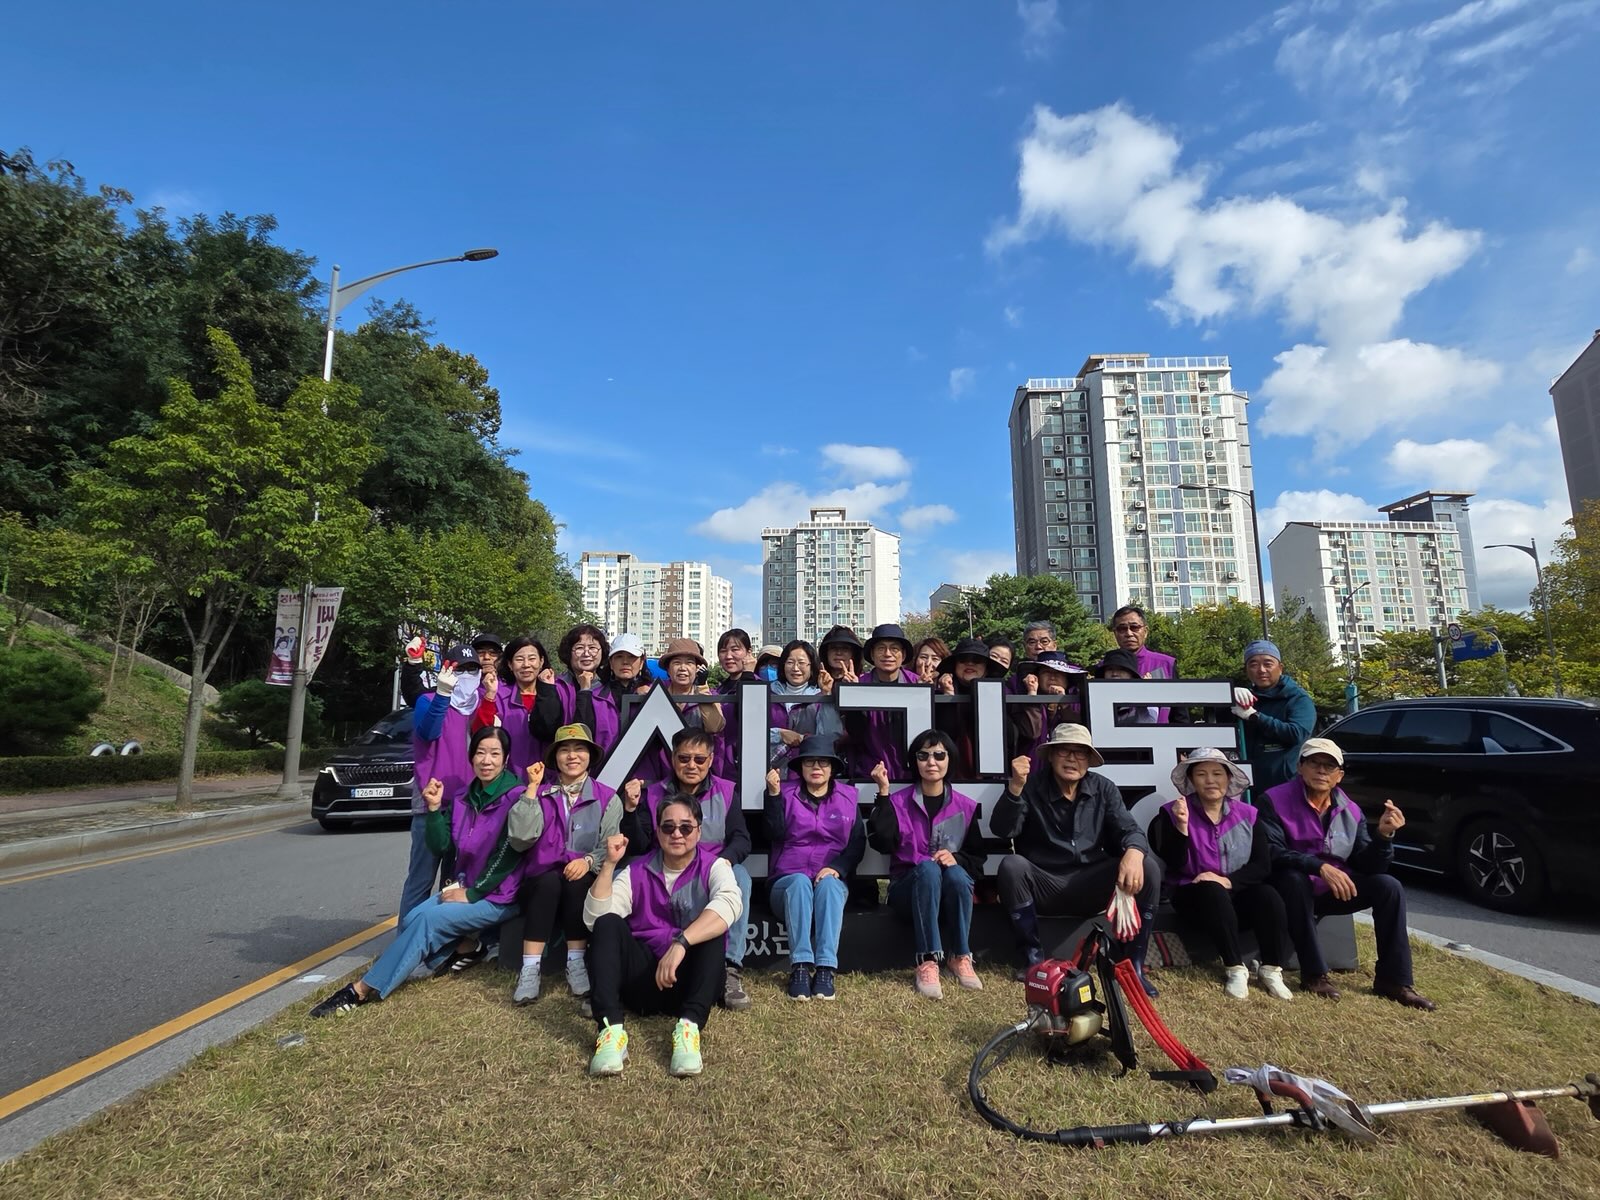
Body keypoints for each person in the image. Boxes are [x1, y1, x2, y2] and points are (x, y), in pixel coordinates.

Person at [310, 726, 529, 1017]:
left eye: (494, 754)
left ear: (506, 758)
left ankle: (360, 990)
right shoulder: (463, 798)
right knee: (413, 917)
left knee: (426, 921)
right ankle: (468, 947)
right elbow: (441, 846)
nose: (486, 760)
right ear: (471, 757)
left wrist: (473, 893)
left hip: (499, 895)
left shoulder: (517, 797)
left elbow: (509, 854)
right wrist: (435, 809)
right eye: (480, 753)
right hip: (465, 888)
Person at [1260, 739, 1435, 1009]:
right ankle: (1314, 974)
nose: (1321, 771)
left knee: (1388, 886)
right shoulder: (1273, 799)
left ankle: (1393, 980)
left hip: (1333, 890)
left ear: (1339, 776)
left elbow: (1369, 865)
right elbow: (1271, 851)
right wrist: (1318, 867)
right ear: (1300, 767)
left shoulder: (1351, 810)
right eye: (1314, 763)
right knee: (1294, 879)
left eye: (1329, 766)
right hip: (1287, 888)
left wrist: (1384, 836)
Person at [990, 723, 1163, 996]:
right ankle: (1033, 960)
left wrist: (1133, 851)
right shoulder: (1030, 786)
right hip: (1046, 884)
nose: (1072, 759)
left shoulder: (1104, 788)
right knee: (1012, 866)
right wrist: (1014, 788)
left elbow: (1129, 829)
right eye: (1064, 751)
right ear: (1050, 755)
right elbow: (1003, 830)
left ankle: (1134, 965)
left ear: (1089, 760)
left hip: (1092, 882)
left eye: (1080, 753)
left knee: (1148, 867)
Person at [582, 796, 744, 1078]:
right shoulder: (635, 870)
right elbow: (595, 920)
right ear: (657, 832)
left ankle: (689, 1029)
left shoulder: (715, 866)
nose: (677, 834)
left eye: (686, 827)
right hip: (643, 982)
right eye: (668, 827)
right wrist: (608, 865)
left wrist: (681, 943)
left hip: (691, 980)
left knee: (712, 927)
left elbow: (730, 904)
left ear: (699, 831)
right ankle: (610, 1032)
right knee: (608, 923)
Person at [620, 728, 755, 1011]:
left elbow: (741, 838)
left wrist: (724, 862)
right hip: (666, 869)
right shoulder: (652, 793)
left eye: (699, 759)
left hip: (711, 870)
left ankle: (730, 968)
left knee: (740, 877)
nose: (691, 765)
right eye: (684, 758)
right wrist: (630, 811)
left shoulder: (726, 791)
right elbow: (641, 845)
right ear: (672, 759)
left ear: (711, 760)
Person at [1149, 748, 1293, 1001]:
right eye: (1201, 774)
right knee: (1211, 890)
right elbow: (1174, 863)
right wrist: (1181, 827)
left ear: (1228, 778)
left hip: (1235, 892)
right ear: (1191, 780)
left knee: (1268, 895)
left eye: (1217, 773)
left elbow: (1262, 865)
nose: (1210, 780)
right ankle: (1235, 968)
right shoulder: (1173, 811)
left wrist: (1228, 881)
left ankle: (1271, 969)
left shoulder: (1248, 815)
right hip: (1194, 897)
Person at [506, 723, 621, 1005]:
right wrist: (532, 788)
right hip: (541, 881)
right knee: (549, 882)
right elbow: (520, 839)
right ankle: (530, 969)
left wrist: (588, 860)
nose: (572, 756)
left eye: (579, 749)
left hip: (582, 879)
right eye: (564, 750)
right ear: (554, 757)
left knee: (577, 882)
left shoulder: (608, 797)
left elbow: (609, 844)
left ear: (590, 756)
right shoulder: (540, 793)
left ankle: (576, 962)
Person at [868, 729, 986, 998]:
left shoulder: (965, 807)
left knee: (957, 874)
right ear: (915, 762)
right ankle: (927, 960)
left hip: (948, 893)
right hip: (906, 892)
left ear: (949, 760)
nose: (931, 762)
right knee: (929, 868)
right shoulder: (897, 802)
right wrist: (883, 793)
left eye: (939, 755)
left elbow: (977, 860)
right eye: (923, 756)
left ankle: (960, 956)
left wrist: (957, 858)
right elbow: (882, 843)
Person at [764, 735, 866, 1001]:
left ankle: (825, 969)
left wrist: (837, 867)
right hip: (787, 882)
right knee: (799, 882)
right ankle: (799, 967)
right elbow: (773, 834)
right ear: (800, 767)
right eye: (810, 762)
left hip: (828, 881)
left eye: (823, 762)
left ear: (832, 768)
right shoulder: (784, 793)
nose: (817, 767)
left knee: (830, 885)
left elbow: (857, 843)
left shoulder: (848, 798)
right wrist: (773, 796)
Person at [402, 645, 479, 918]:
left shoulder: (477, 706)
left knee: (453, 882)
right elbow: (428, 731)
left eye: (472, 669)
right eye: (460, 668)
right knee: (421, 879)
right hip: (431, 804)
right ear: (447, 670)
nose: (467, 674)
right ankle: (408, 936)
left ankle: (443, 939)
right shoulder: (428, 701)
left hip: (466, 806)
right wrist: (443, 694)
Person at [1234, 639, 1316, 794]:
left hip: (1286, 788)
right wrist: (1228, 696)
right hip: (1248, 787)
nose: (1261, 670)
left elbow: (1296, 733)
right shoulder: (1245, 698)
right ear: (1246, 670)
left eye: (1268, 664)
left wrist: (1255, 717)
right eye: (1253, 664)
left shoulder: (1298, 699)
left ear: (1280, 668)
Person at [533, 624, 622, 757]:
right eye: (579, 648)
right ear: (568, 652)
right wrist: (547, 690)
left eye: (593, 648)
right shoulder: (556, 687)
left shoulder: (611, 689)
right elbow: (545, 730)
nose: (587, 653)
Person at [932, 636, 1009, 777]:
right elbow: (945, 733)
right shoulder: (937, 696)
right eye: (963, 659)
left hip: (990, 776)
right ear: (955, 666)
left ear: (986, 669)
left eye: (977, 660)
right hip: (949, 774)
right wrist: (949, 696)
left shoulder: (1001, 695)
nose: (970, 663)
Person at [768, 639, 843, 772]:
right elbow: (752, 732)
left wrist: (826, 695)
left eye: (801, 663)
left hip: (805, 773)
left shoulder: (818, 697)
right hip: (768, 771)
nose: (795, 668)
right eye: (790, 662)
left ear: (811, 666)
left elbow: (830, 736)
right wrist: (779, 734)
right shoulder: (767, 693)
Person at [487, 636, 552, 778]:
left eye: (532, 658)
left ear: (541, 662)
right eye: (519, 659)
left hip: (550, 781)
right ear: (510, 664)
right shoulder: (499, 696)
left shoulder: (555, 694)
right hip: (511, 781)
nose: (526, 665)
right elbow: (483, 732)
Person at [1011, 649, 1087, 756]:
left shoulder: (1077, 702)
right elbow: (1032, 733)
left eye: (1058, 673)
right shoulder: (1021, 701)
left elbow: (1076, 733)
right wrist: (1032, 694)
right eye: (1046, 672)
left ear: (1067, 680)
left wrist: (1063, 703)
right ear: (1037, 677)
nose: (1052, 677)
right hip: (1031, 763)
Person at [1108, 605, 1176, 723]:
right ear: (1115, 633)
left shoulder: (1166, 664)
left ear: (1145, 631)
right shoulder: (1104, 668)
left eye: (1134, 627)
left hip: (1160, 733)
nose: (1129, 633)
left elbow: (1179, 715)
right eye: (1122, 629)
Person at [712, 628, 761, 778]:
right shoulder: (718, 690)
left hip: (746, 766)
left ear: (748, 652)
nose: (728, 656)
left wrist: (748, 675)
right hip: (719, 764)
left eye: (735, 649)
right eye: (723, 651)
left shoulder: (760, 687)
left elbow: (749, 718)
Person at [1094, 648, 1159, 725]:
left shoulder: (1147, 699)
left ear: (1131, 675)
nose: (1114, 673)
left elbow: (1147, 724)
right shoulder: (1095, 699)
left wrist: (1143, 695)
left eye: (1121, 669)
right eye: (1110, 669)